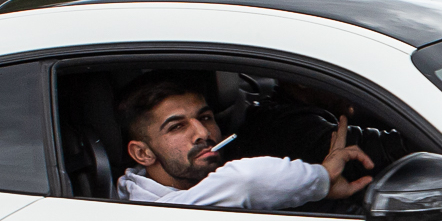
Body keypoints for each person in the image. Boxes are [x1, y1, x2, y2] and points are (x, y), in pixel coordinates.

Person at [114, 75, 371, 209]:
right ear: (143, 153)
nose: (202, 133)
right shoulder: (150, 208)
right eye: (177, 127)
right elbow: (244, 180)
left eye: (205, 117)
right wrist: (322, 177)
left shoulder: (169, 185)